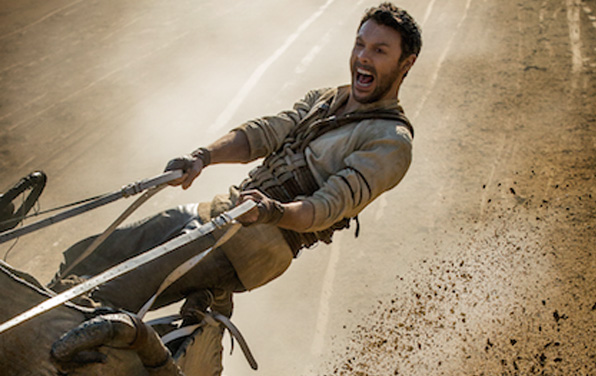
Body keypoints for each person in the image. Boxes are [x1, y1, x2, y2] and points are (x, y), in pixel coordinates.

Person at [51, 1, 421, 327]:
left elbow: (326, 209)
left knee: (110, 292)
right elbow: (265, 133)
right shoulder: (327, 97)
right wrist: (202, 157)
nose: (363, 57)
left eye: (379, 51)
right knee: (90, 255)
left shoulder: (390, 142)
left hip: (256, 248)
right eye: (360, 44)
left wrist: (271, 211)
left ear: (406, 63)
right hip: (218, 212)